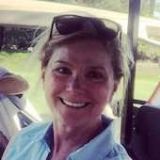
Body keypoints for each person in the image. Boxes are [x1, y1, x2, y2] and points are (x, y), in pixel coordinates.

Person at [2, 13, 132, 160]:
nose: (73, 87)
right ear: (44, 74)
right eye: (63, 70)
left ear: (114, 86)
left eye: (94, 75)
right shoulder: (23, 141)